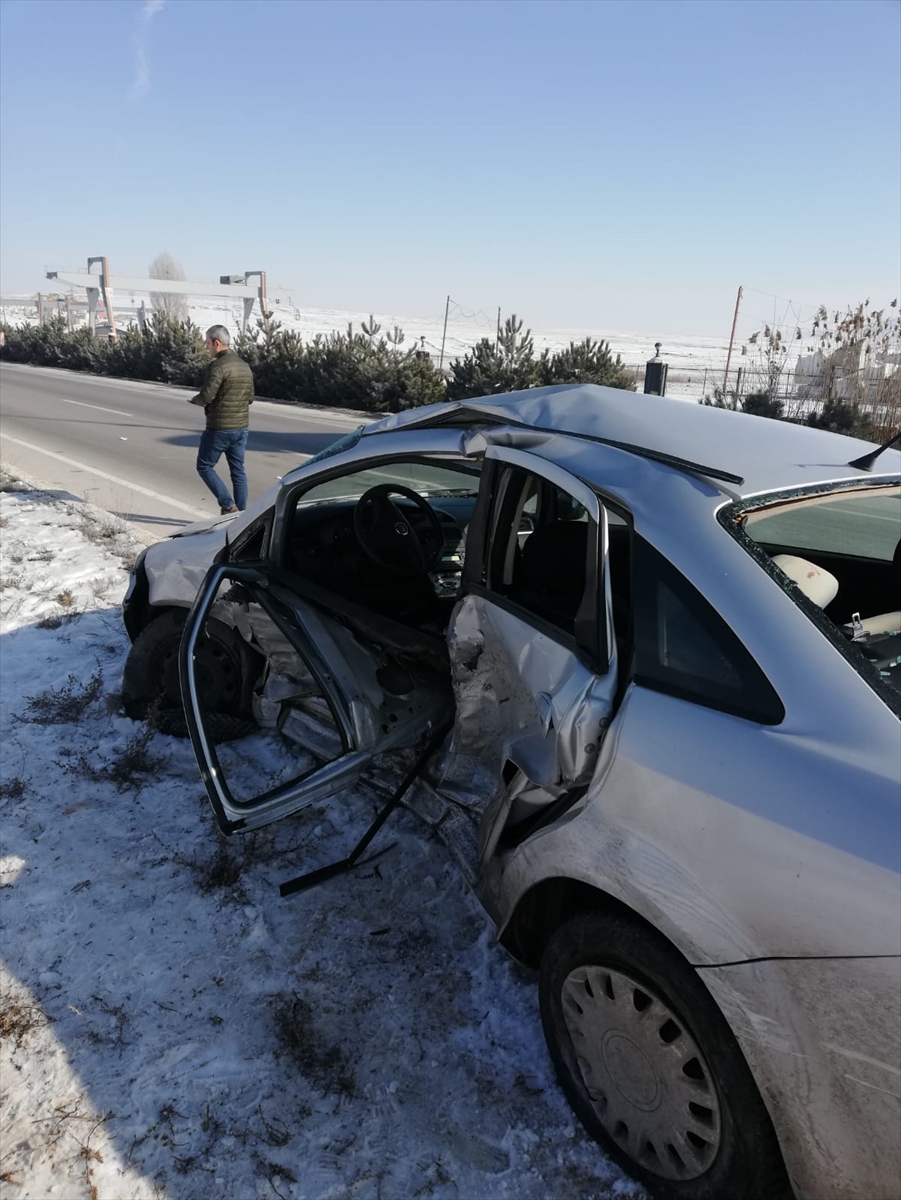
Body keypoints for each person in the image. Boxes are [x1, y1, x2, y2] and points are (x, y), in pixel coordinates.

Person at [190, 325, 254, 514]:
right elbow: (250, 397)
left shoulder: (217, 366)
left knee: (204, 466)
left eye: (207, 343)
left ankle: (228, 505)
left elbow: (207, 396)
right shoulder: (244, 365)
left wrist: (195, 400)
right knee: (238, 471)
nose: (206, 347)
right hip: (241, 428)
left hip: (219, 428)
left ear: (217, 343)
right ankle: (242, 514)